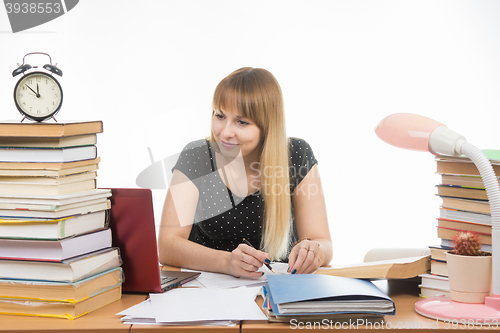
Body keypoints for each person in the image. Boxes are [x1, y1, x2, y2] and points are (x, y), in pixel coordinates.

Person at [158, 67, 332, 277]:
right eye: (220, 116)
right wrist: (226, 262)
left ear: (267, 127)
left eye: (242, 122)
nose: (225, 132)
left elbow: (322, 243)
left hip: (278, 288)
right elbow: (167, 245)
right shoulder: (197, 156)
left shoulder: (297, 155)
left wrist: (314, 251)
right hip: (207, 289)